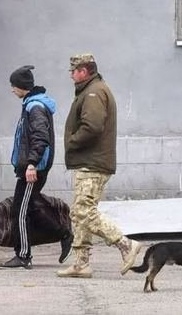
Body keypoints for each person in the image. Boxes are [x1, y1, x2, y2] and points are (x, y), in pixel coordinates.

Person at [57, 54, 141, 279]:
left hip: (92, 163)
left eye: (73, 71)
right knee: (79, 213)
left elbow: (92, 126)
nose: (71, 75)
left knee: (84, 211)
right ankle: (81, 264)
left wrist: (72, 142)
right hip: (90, 161)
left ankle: (125, 244)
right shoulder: (91, 90)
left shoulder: (94, 92)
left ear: (83, 71)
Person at [0, 65, 72, 269]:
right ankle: (64, 234)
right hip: (31, 167)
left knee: (20, 211)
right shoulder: (32, 104)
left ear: (22, 86)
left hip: (33, 169)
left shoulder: (35, 107)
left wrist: (31, 164)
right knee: (28, 208)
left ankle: (23, 256)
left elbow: (40, 137)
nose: (12, 89)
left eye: (13, 85)